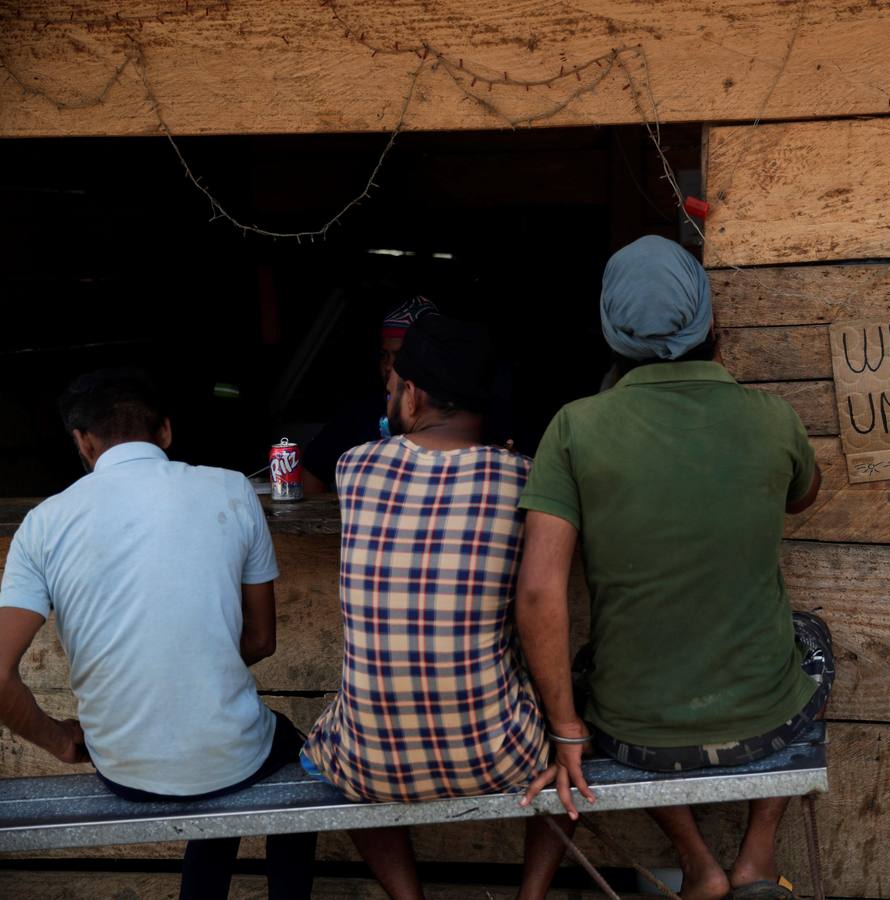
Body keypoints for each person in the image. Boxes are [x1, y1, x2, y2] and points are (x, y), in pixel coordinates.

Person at [513, 235, 833, 900]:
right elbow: (804, 495)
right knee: (814, 641)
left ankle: (698, 864)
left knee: (594, 669)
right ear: (711, 322)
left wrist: (566, 731)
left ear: (610, 332)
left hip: (631, 735)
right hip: (765, 722)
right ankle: (756, 855)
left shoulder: (574, 427)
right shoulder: (771, 418)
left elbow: (540, 593)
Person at [0, 368, 316, 900]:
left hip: (123, 767)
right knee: (283, 759)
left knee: (219, 765)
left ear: (82, 442)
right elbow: (262, 640)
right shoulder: (232, 489)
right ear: (165, 431)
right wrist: (198, 670)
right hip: (230, 754)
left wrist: (58, 740)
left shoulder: (43, 523)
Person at [301, 315, 547, 900]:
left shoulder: (354, 467)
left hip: (368, 762)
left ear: (411, 395)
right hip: (502, 755)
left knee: (324, 761)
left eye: (394, 386)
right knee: (572, 746)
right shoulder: (525, 478)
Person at [300, 295, 438, 494]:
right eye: (384, 356)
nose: (389, 366)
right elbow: (312, 474)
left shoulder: (452, 419)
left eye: (400, 355)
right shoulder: (361, 413)